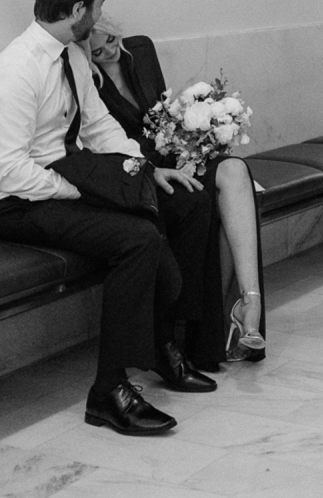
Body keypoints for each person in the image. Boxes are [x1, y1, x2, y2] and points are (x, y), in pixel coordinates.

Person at [0, 0, 218, 437]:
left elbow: (99, 126)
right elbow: (10, 171)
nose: (104, 13)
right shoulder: (15, 71)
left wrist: (146, 172)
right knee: (139, 238)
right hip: (18, 205)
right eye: (100, 3)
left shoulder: (72, 56)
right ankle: (109, 391)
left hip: (65, 183)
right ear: (78, 8)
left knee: (187, 200)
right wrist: (80, 190)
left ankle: (166, 345)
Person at [87, 18, 266, 365]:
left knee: (234, 170)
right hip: (145, 172)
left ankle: (249, 300)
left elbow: (166, 111)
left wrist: (194, 139)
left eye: (110, 40)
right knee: (207, 200)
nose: (108, 50)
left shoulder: (139, 53)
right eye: (97, 50)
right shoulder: (88, 82)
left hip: (176, 153)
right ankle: (219, 326)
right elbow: (104, 146)